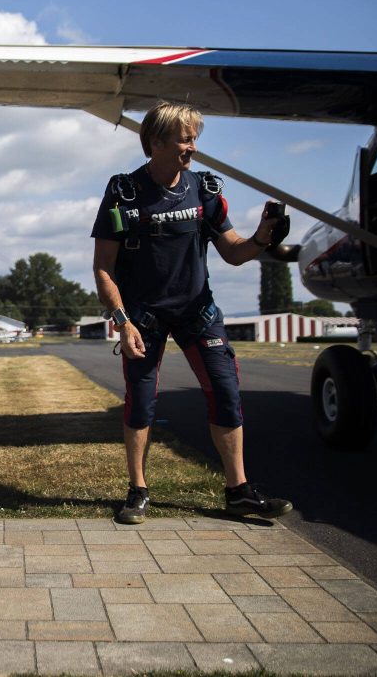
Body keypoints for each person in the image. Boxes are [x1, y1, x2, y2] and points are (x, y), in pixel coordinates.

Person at [91, 100, 293, 523]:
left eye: (194, 138)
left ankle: (238, 491)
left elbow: (234, 252)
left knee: (226, 394)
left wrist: (262, 237)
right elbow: (103, 268)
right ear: (157, 142)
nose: (193, 147)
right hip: (143, 317)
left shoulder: (205, 190)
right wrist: (122, 321)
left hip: (198, 312)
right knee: (141, 404)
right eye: (185, 138)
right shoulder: (123, 192)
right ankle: (138, 491)